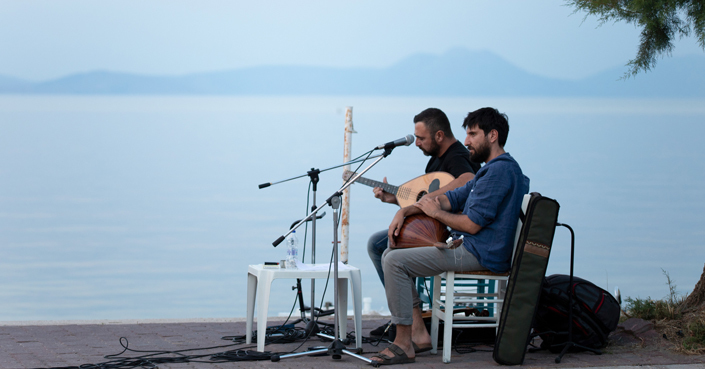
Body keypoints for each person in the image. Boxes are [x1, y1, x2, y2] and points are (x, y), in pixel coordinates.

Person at [369, 107, 529, 365]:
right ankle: (414, 335)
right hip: (472, 248)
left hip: (480, 254)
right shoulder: (491, 170)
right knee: (390, 253)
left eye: (473, 134)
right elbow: (452, 198)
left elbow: (472, 225)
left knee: (393, 261)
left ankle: (403, 344)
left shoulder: (501, 171)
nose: (466, 141)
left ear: (493, 136)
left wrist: (437, 213)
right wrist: (407, 209)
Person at [366, 107, 480, 336]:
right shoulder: (435, 161)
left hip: (451, 233)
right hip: (436, 226)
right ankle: (409, 317)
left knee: (384, 244)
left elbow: (469, 179)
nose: (416, 143)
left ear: (439, 135)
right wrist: (394, 200)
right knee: (379, 242)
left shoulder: (457, 155)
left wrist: (425, 199)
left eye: (420, 138)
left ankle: (409, 322)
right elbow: (423, 203)